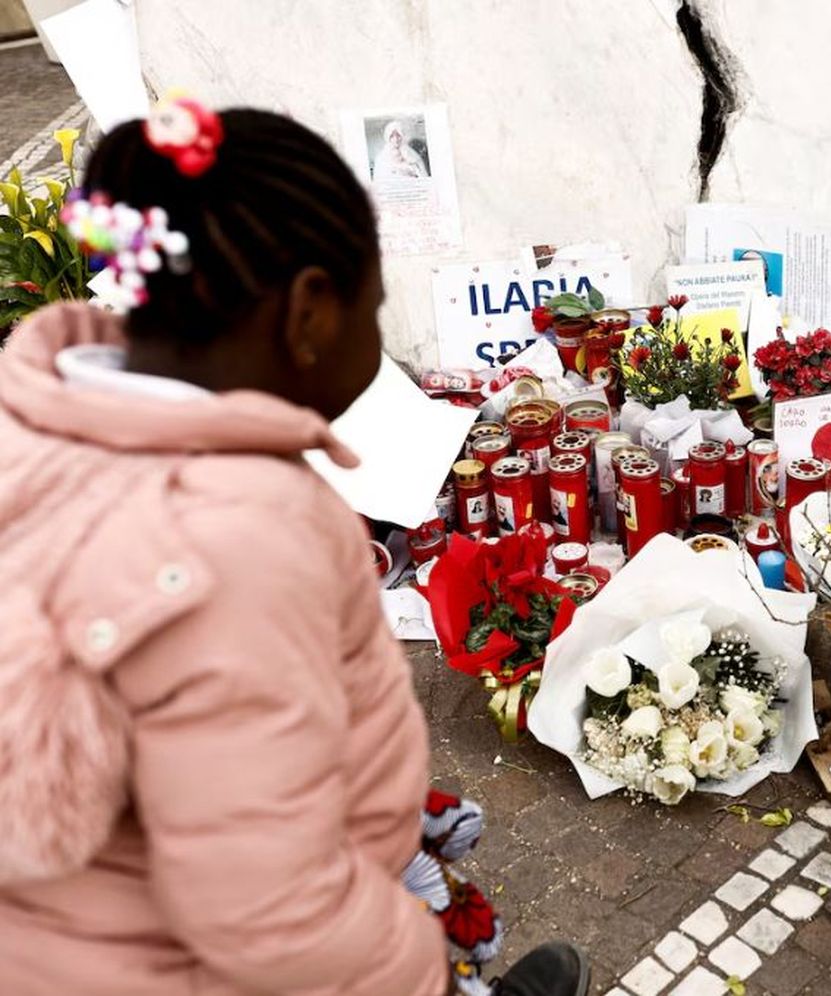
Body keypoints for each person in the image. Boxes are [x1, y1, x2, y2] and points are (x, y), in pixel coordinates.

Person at [0, 102, 586, 996]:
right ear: (311, 308)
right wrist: (417, 960)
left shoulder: (40, 417)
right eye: (373, 305)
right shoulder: (236, 537)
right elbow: (270, 914)